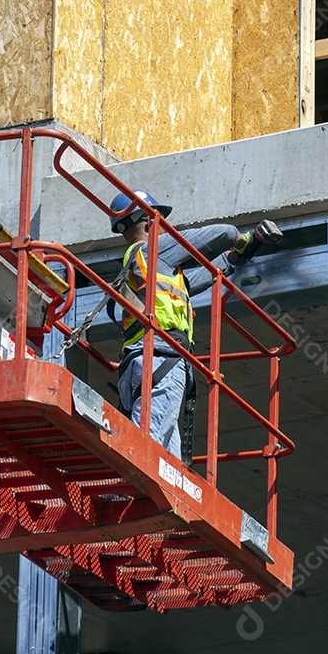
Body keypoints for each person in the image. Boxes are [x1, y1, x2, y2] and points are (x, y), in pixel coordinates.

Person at [109, 190, 281, 461]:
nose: (164, 226)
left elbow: (202, 279)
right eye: (159, 218)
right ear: (148, 220)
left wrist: (236, 258)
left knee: (167, 460)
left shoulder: (146, 265)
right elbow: (223, 233)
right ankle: (123, 494)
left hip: (141, 362)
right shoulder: (152, 251)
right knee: (147, 449)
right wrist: (243, 239)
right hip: (161, 356)